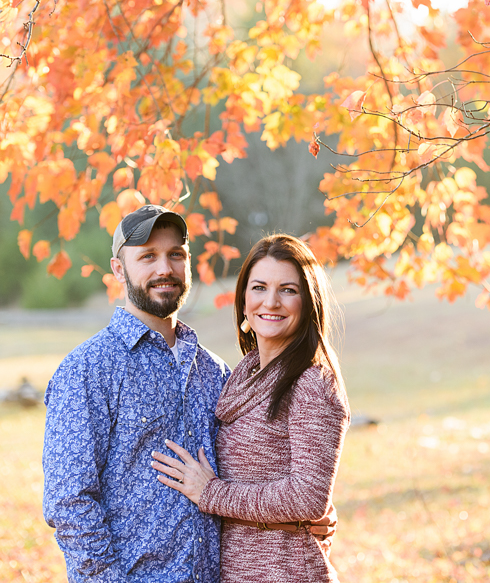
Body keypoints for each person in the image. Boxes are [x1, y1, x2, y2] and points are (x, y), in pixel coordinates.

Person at [42, 207, 333, 583]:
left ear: (188, 264)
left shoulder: (216, 372)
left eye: (175, 254)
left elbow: (258, 464)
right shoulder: (88, 369)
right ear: (118, 270)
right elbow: (69, 503)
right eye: (148, 256)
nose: (164, 268)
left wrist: (305, 518)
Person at [151, 234, 350, 583]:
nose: (271, 302)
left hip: (284, 573)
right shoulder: (247, 373)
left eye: (288, 290)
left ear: (308, 301)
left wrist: (210, 492)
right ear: (244, 299)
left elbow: (308, 497)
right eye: (259, 287)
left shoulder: (311, 382)